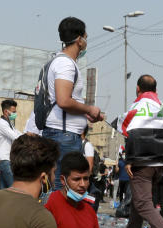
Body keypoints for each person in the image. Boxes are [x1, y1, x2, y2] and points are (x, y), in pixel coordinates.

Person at [42, 17, 104, 187]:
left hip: (63, 134)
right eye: (85, 37)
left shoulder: (60, 62)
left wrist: (85, 112)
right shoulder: (65, 64)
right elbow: (63, 100)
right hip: (63, 136)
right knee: (62, 189)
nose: (85, 41)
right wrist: (89, 109)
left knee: (60, 188)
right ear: (79, 40)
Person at [120, 74, 163, 228]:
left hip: (142, 163)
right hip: (159, 163)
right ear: (155, 89)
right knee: (138, 202)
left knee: (142, 204)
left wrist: (129, 159)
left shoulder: (138, 105)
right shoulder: (161, 106)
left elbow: (130, 132)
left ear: (137, 88)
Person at [0, 98, 21, 189]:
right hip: (4, 159)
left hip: (6, 159)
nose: (15, 114)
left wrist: (29, 135)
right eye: (13, 111)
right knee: (13, 188)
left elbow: (18, 133)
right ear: (6, 111)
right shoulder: (2, 124)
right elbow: (15, 137)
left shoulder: (9, 124)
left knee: (4, 189)